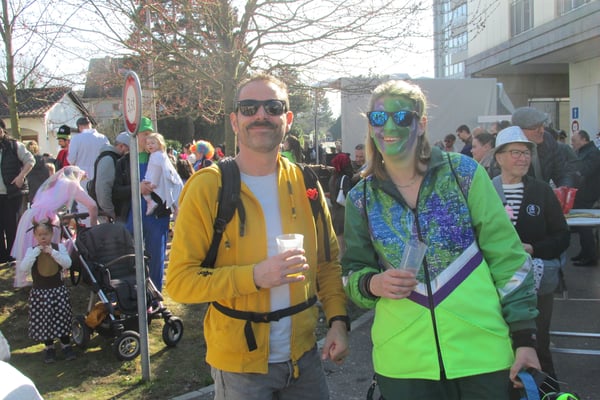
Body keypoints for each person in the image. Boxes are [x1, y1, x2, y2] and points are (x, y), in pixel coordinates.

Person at [342, 80, 539, 399]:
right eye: (378, 118)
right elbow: (352, 273)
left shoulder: (463, 174)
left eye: (402, 117)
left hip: (483, 355)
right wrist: (372, 283)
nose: (388, 127)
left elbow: (509, 259)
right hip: (404, 364)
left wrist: (525, 338)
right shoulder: (361, 198)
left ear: (421, 123)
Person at [166, 74, 349, 400]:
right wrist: (254, 276)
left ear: (287, 119)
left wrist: (338, 320)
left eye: (273, 107)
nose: (261, 115)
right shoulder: (207, 187)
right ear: (235, 121)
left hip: (304, 358)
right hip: (240, 368)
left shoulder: (306, 182)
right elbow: (181, 283)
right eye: (249, 108)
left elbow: (327, 263)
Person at [492, 126, 569, 394]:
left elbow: (562, 236)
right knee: (500, 344)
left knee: (537, 342)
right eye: (516, 152)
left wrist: (533, 248)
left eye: (526, 153)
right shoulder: (486, 191)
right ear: (499, 157)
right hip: (495, 284)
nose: (523, 158)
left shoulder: (541, 191)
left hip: (536, 283)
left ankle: (546, 393)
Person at [11, 166, 98, 287]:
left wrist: (64, 214)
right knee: (48, 246)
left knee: (30, 245)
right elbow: (92, 206)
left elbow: (57, 205)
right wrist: (94, 226)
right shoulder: (72, 185)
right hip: (45, 217)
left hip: (31, 214)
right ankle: (49, 275)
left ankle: (24, 278)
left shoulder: (54, 184)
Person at [112, 117, 172, 292]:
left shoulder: (162, 158)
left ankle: (155, 294)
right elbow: (116, 191)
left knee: (156, 256)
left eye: (149, 134)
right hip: (132, 215)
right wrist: (136, 188)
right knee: (130, 256)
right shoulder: (123, 162)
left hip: (157, 216)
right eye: (143, 134)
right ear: (134, 136)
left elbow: (172, 184)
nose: (147, 139)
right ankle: (132, 293)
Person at [16, 218, 76, 363]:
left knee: (61, 317)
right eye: (40, 235)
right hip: (40, 292)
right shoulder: (32, 251)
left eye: (46, 234)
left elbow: (68, 263)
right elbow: (24, 267)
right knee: (45, 320)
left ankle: (66, 345)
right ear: (35, 236)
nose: (43, 237)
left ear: (51, 234)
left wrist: (53, 253)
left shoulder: (59, 248)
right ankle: (49, 348)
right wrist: (35, 253)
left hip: (58, 290)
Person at [508, 107, 576, 187]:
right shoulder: (507, 149)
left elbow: (562, 171)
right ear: (519, 130)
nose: (542, 131)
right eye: (535, 128)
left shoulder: (548, 140)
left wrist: (564, 188)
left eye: (542, 126)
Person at [0, 120, 34, 266]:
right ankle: (2, 258)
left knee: (11, 225)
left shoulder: (14, 146)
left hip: (11, 192)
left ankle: (13, 256)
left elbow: (30, 160)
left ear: (3, 130)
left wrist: (21, 177)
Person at [570, 129, 600, 267]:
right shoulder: (584, 152)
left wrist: (574, 171)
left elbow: (585, 171)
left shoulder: (592, 153)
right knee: (581, 225)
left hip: (589, 194)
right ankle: (585, 252)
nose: (572, 143)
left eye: (574, 140)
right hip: (584, 193)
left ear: (584, 140)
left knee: (585, 225)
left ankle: (590, 255)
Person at [142, 132, 183, 216]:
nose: (150, 145)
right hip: (157, 179)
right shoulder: (158, 154)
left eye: (152, 143)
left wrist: (154, 183)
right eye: (148, 144)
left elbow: (158, 169)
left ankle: (150, 202)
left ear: (159, 144)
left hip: (157, 180)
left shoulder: (157, 155)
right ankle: (150, 202)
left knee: (145, 189)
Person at [94, 132, 130, 220]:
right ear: (122, 146)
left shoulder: (112, 158)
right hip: (110, 215)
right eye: (129, 149)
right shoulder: (109, 159)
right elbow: (103, 188)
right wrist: (110, 213)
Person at [67, 116, 110, 181]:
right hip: (100, 174)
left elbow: (71, 159)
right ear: (90, 125)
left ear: (79, 126)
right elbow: (108, 156)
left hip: (82, 175)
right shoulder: (103, 138)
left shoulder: (76, 139)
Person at [328, 152, 353, 256]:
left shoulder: (332, 178)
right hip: (343, 215)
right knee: (343, 248)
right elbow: (349, 198)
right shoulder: (345, 178)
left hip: (335, 213)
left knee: (339, 246)